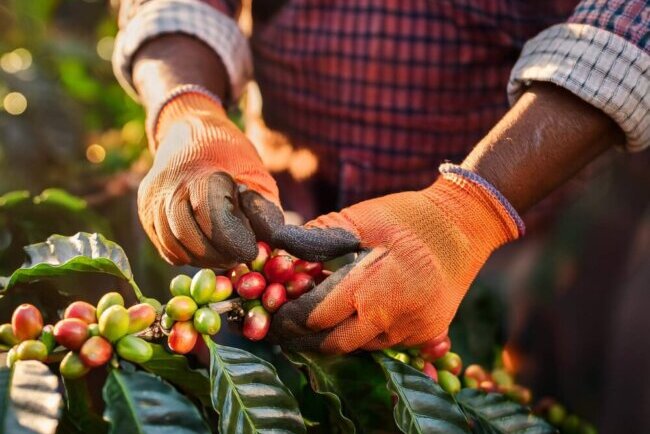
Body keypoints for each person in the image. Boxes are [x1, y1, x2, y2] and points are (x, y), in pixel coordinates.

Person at [113, 0, 648, 353]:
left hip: (497, 242)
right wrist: (187, 108)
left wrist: (469, 214)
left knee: (489, 370)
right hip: (279, 214)